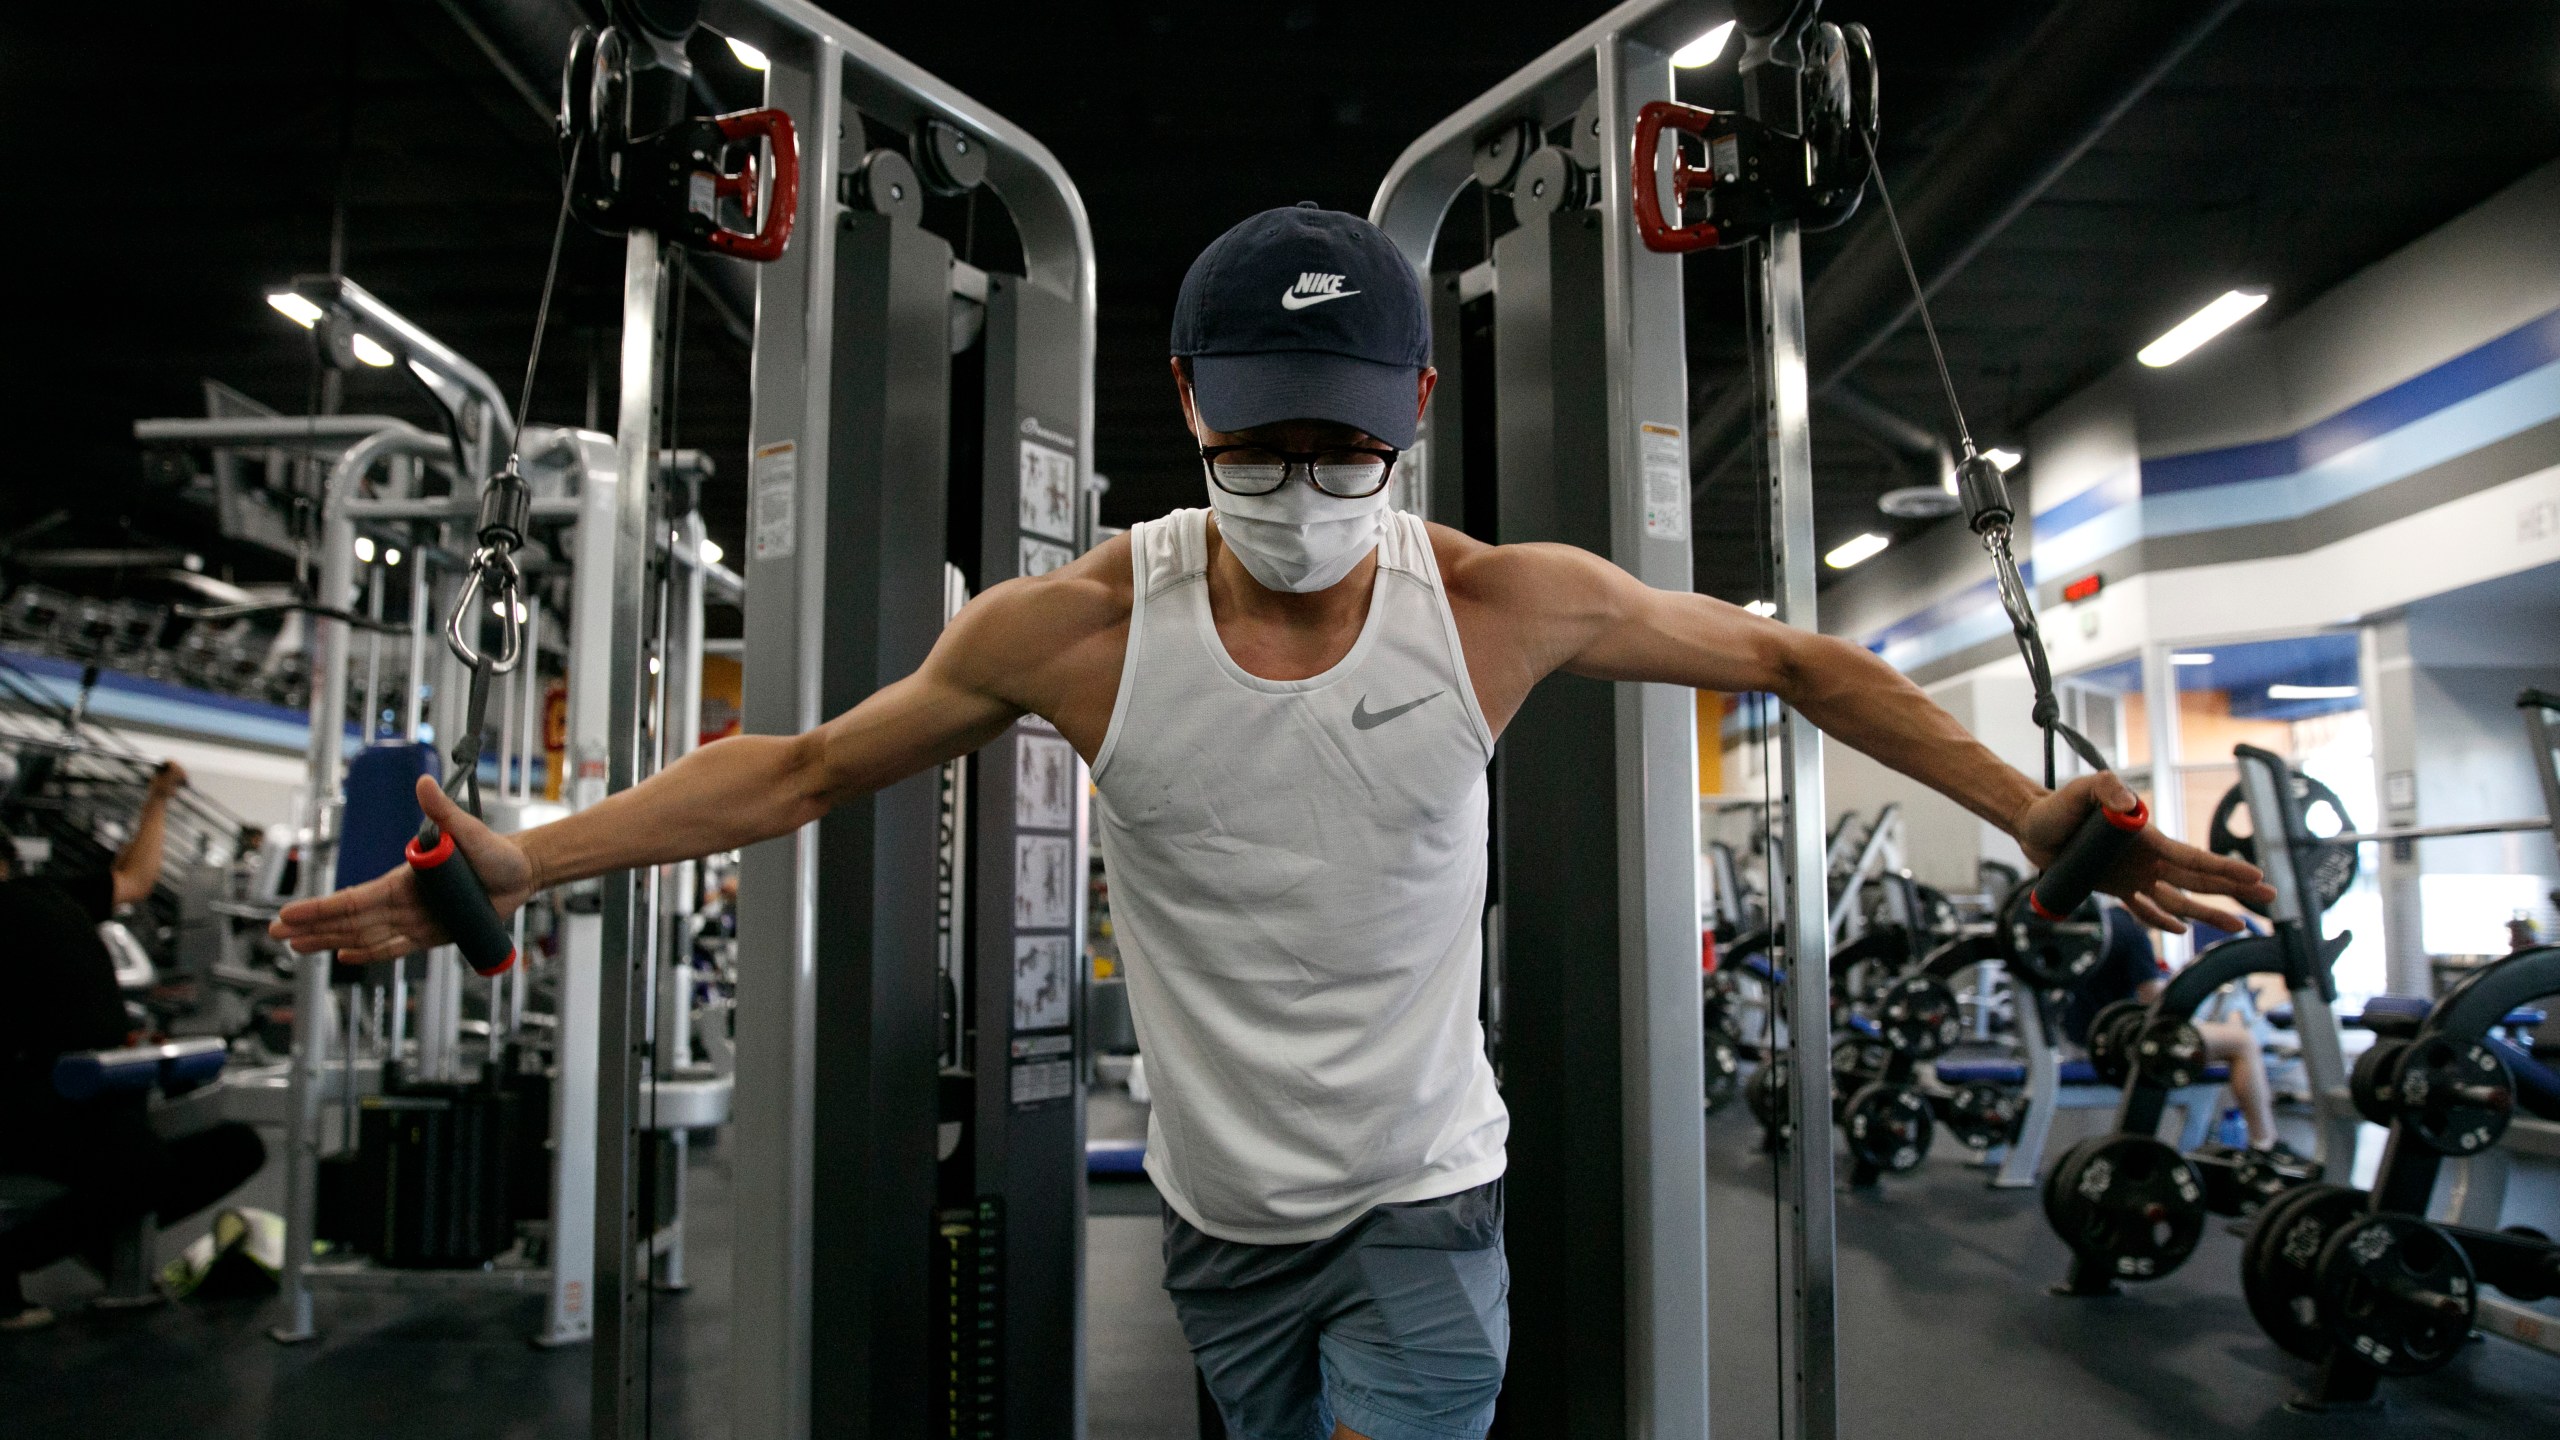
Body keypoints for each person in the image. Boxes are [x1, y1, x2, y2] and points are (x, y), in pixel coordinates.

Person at [274, 205, 2272, 1440]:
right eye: (1259, 442)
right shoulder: (1063, 632)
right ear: (1186, 406)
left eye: (1339, 442)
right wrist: (526, 854)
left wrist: (2034, 814)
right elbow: (791, 769)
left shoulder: (1501, 600)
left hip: (1422, 1191)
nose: (1299, 481)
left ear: (1407, 405)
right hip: (1225, 1221)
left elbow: (1795, 666)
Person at [0, 761, 267, 1330]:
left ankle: (95, 1236)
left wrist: (158, 799)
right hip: (28, 1100)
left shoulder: (48, 894)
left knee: (237, 1146)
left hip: (98, 1092)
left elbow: (137, 880)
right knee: (137, 1169)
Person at [2062, 903, 2289, 1154]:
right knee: (2242, 1042)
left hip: (2080, 1040)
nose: (2168, 918)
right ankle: (2266, 1143)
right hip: (2119, 1046)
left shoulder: (2104, 923)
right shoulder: (2135, 935)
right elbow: (2160, 1006)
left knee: (2225, 1031)